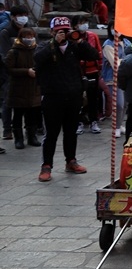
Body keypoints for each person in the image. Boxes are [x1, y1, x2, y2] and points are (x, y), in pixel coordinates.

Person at [34, 16, 98, 181]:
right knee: (52, 133)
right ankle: (46, 166)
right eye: (59, 32)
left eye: (66, 31)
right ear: (52, 32)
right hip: (52, 97)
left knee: (71, 131)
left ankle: (71, 160)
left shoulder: (75, 47)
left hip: (74, 95)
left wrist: (80, 40)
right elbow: (38, 58)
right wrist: (56, 43)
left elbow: (93, 55)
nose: (63, 35)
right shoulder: (45, 46)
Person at [4, 27, 42, 150]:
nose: (29, 39)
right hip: (18, 89)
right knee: (18, 115)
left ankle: (32, 136)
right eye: (27, 37)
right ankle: (18, 138)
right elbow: (9, 69)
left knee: (32, 114)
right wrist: (26, 71)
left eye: (31, 36)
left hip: (34, 88)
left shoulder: (37, 49)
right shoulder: (14, 52)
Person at [0, 4, 32, 140]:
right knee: (8, 101)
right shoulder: (6, 32)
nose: (23, 18)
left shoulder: (29, 30)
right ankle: (7, 129)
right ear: (13, 17)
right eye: (20, 16)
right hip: (10, 73)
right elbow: (5, 55)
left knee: (29, 102)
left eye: (25, 15)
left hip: (29, 72)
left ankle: (32, 129)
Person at [73, 15, 104, 135]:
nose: (84, 25)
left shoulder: (92, 36)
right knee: (78, 99)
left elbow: (98, 52)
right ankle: (79, 121)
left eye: (85, 22)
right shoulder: (72, 37)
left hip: (93, 70)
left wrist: (100, 67)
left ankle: (93, 121)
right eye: (81, 22)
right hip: (77, 72)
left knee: (93, 97)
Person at [101, 28, 131, 137]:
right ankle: (116, 127)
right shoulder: (108, 44)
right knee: (119, 103)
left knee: (126, 104)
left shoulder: (127, 42)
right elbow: (115, 63)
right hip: (113, 78)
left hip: (126, 77)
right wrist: (126, 62)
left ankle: (120, 124)